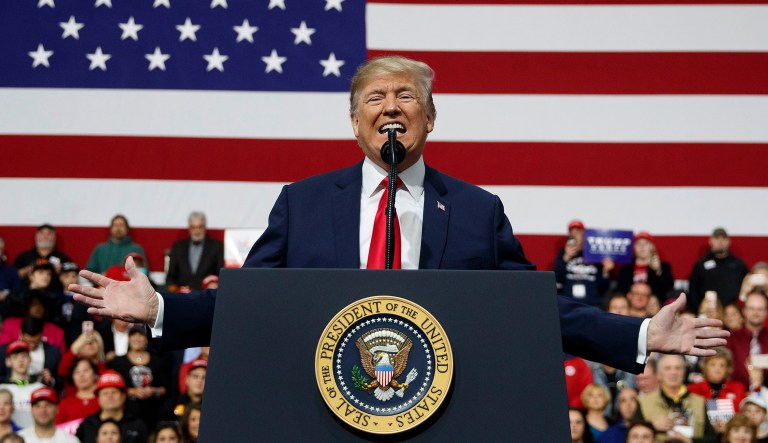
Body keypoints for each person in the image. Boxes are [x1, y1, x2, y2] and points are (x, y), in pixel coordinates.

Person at [69, 56, 728, 378]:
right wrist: (158, 310)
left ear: (429, 117)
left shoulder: (476, 209)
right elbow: (249, 302)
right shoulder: (301, 202)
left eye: (405, 95)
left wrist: (639, 336)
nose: (391, 105)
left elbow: (535, 309)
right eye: (375, 97)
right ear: (355, 122)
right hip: (323, 402)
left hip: (441, 405)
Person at [634, 354, 716, 442]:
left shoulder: (699, 402)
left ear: (684, 372)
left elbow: (712, 439)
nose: (673, 372)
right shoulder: (644, 402)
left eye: (678, 368)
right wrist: (651, 426)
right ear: (659, 374)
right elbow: (632, 435)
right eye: (668, 368)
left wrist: (689, 440)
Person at [554, 219, 614, 306]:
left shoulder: (594, 252)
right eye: (572, 232)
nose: (574, 235)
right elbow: (557, 280)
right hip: (569, 303)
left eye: (578, 232)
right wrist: (565, 258)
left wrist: (606, 271)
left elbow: (603, 286)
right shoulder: (563, 253)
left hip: (592, 303)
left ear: (584, 235)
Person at [76, 371, 147, 443]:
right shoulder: (88, 424)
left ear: (123, 396)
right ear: (98, 398)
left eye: (114, 392)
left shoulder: (137, 424)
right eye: (105, 393)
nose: (110, 396)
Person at [689, 228, 749, 311]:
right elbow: (693, 290)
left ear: (728, 241)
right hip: (709, 312)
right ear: (711, 241)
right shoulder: (701, 265)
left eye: (723, 238)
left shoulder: (738, 265)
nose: (720, 242)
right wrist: (699, 309)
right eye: (717, 238)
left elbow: (747, 287)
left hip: (734, 312)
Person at [165, 212, 224, 292]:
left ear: (205, 227)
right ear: (189, 227)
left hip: (206, 296)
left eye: (200, 227)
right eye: (193, 227)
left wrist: (214, 285)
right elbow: (170, 278)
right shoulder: (178, 247)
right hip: (182, 296)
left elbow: (221, 274)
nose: (197, 231)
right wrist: (174, 290)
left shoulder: (216, 246)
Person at [617, 231, 674, 303]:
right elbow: (621, 290)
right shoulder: (626, 268)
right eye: (638, 244)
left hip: (654, 306)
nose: (642, 247)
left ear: (652, 247)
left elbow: (669, 288)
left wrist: (658, 270)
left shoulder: (663, 267)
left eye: (646, 243)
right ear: (633, 248)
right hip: (630, 305)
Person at [12, 224, 72, 292]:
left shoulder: (62, 257)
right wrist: (31, 269)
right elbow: (13, 276)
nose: (45, 237)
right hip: (27, 295)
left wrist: (62, 271)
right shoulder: (24, 256)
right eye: (42, 233)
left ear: (54, 237)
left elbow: (73, 277)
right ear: (36, 236)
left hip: (55, 296)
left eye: (49, 234)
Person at [727, 291, 768, 388]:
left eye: (760, 309)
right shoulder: (731, 339)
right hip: (737, 394)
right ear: (744, 310)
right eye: (751, 308)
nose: (756, 312)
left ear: (766, 311)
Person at [0, 341, 45, 428]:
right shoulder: (1, 389)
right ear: (8, 361)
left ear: (30, 359)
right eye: (15, 357)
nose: (20, 360)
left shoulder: (41, 389)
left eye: (24, 356)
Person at [55, 358, 100, 424]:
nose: (81, 375)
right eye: (77, 372)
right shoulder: (65, 404)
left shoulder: (104, 400)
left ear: (95, 374)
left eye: (86, 370)